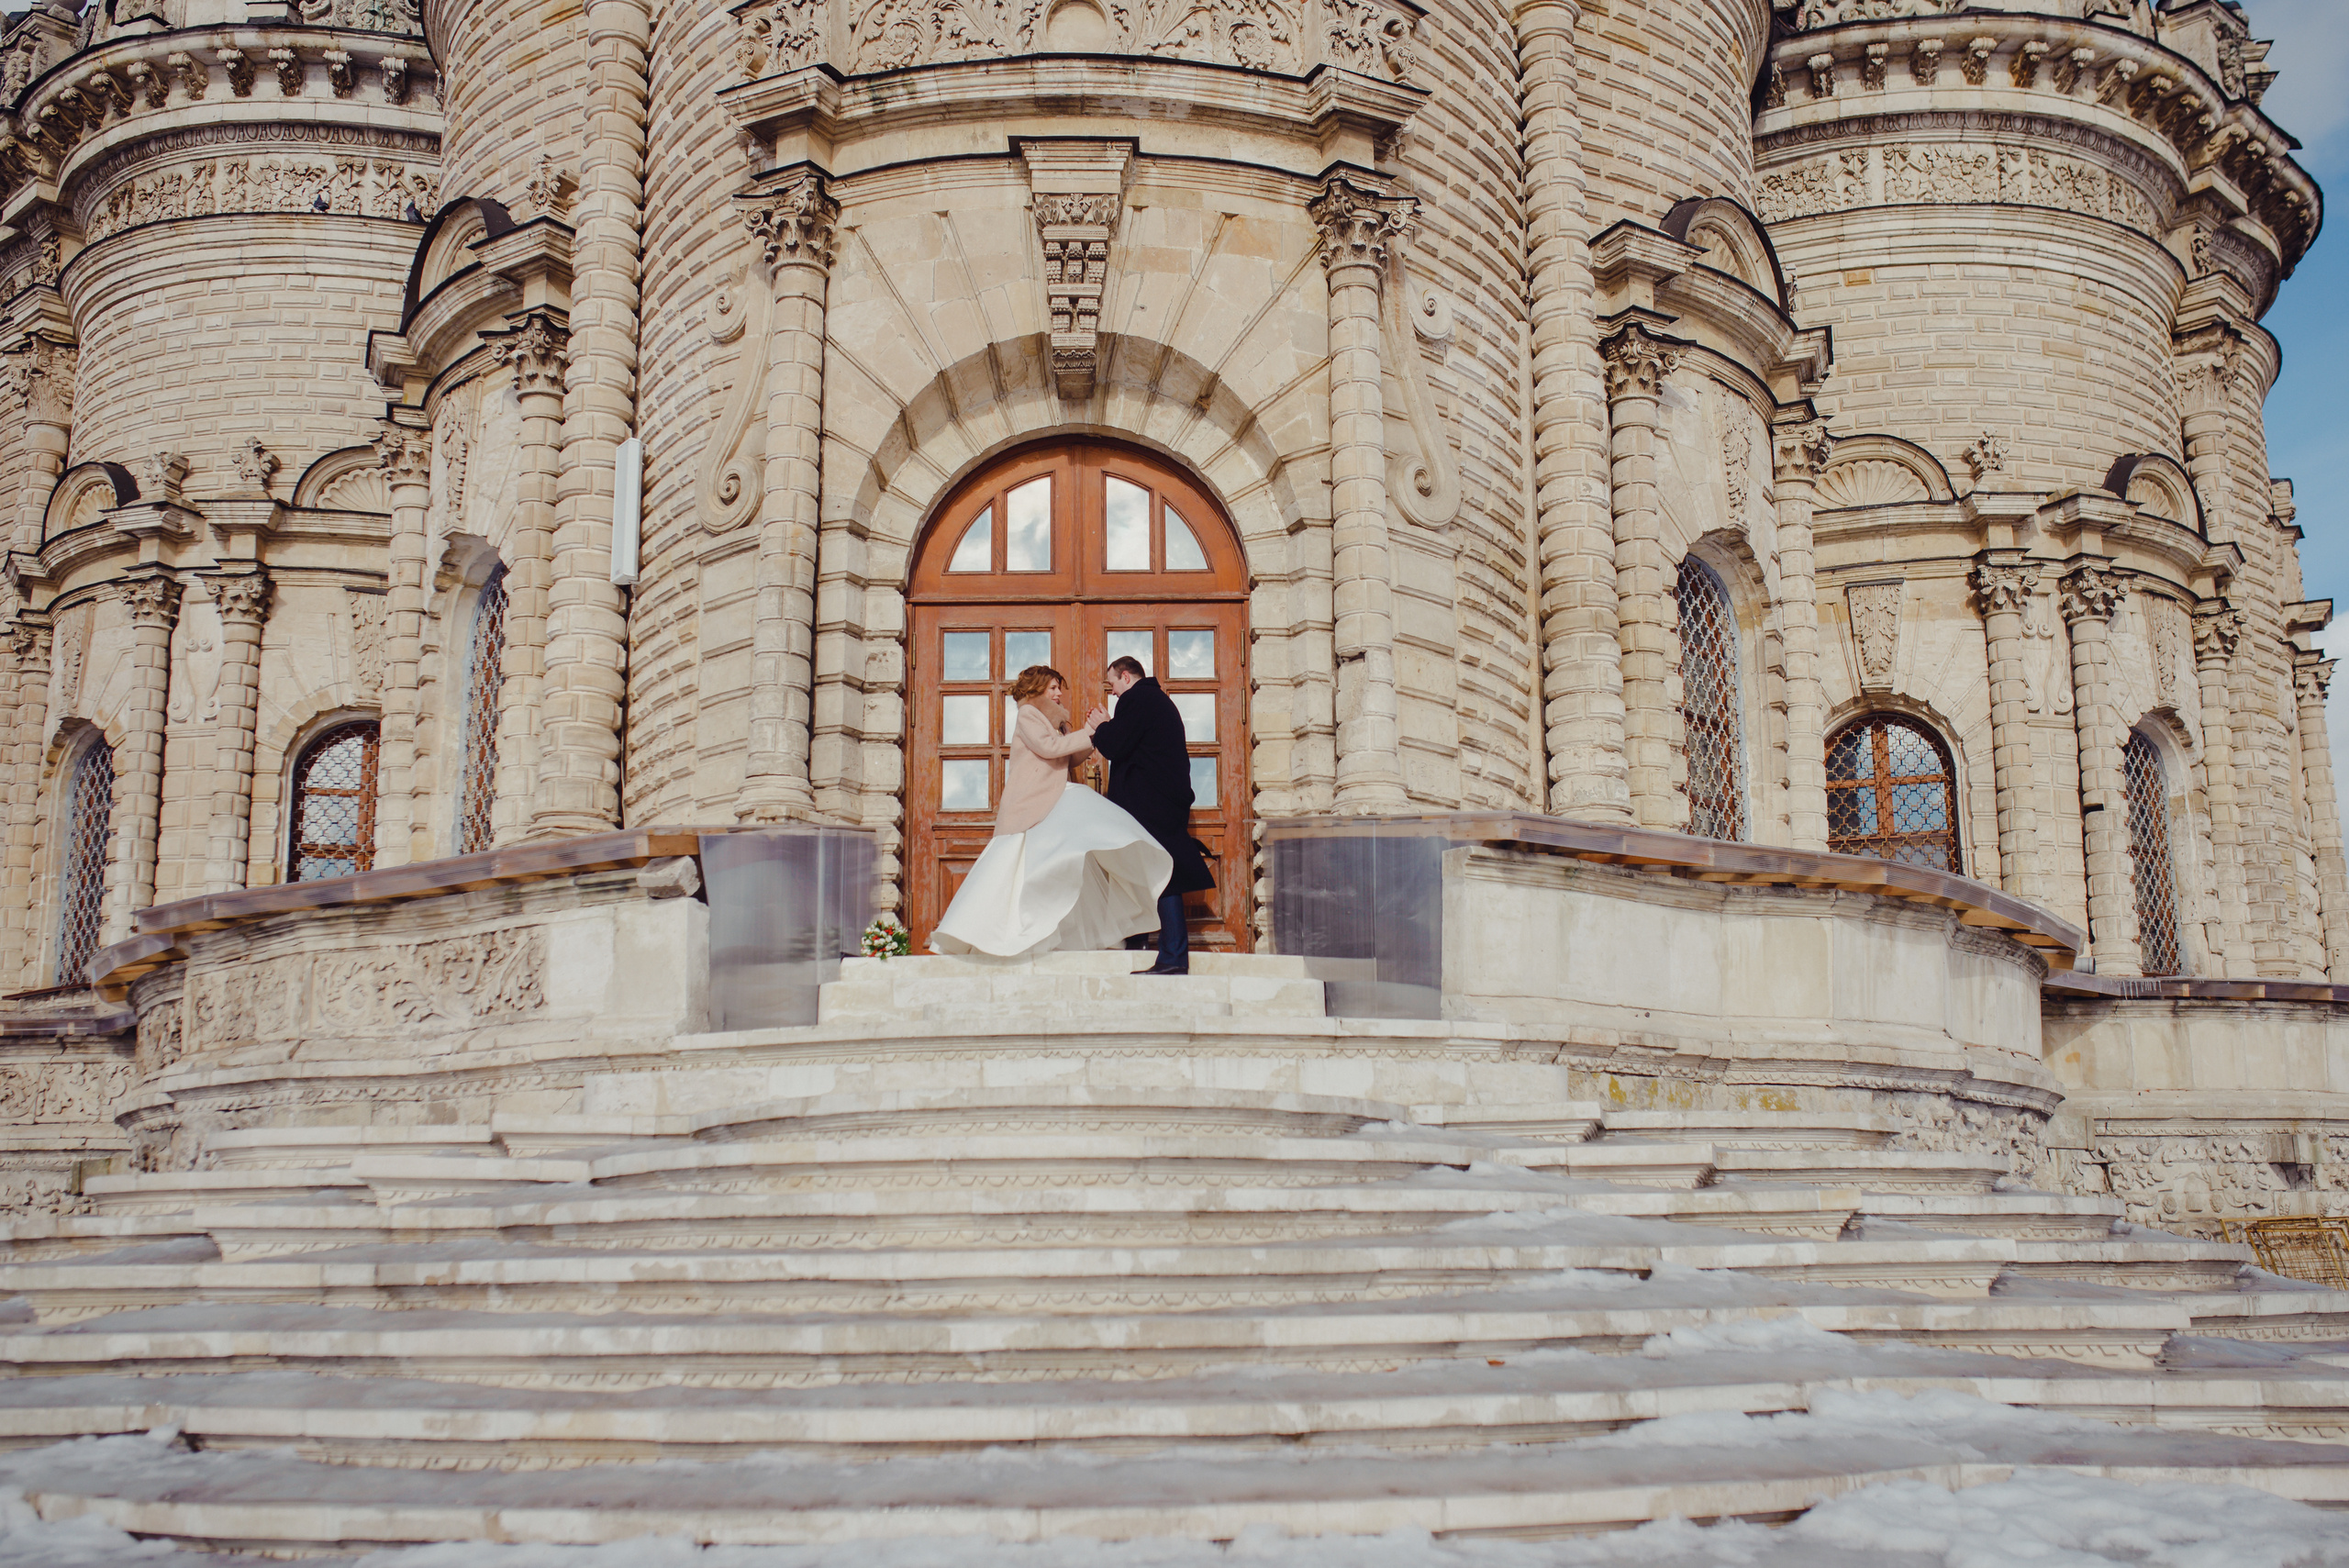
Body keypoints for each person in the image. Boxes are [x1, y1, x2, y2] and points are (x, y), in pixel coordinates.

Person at [931, 664, 1171, 958]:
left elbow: (1069, 757)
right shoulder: (1028, 713)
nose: (1058, 693)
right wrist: (1088, 731)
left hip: (1053, 799)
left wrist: (1091, 736)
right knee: (1013, 873)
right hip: (1031, 801)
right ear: (1037, 689)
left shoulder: (1058, 721)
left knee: (1059, 867)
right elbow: (1048, 747)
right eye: (1053, 688)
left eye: (1060, 688)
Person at [1085, 655, 1214, 974]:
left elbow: (1116, 746)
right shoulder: (1157, 701)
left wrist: (1102, 725)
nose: (1112, 692)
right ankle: (1138, 940)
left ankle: (1172, 957)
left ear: (1126, 677)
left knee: (1162, 876)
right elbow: (1134, 744)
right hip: (1162, 804)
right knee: (1146, 872)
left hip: (1153, 807)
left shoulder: (1137, 699)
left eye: (1112, 683)